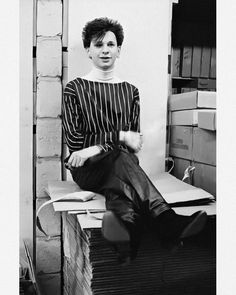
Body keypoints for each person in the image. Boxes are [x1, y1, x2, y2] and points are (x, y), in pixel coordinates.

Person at [62, 17, 207, 263]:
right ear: (88, 50)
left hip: (120, 166)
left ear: (119, 50)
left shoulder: (130, 91)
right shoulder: (74, 89)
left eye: (111, 44)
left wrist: (97, 146)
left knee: (122, 160)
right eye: (98, 45)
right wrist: (117, 137)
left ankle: (127, 234)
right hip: (87, 171)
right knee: (121, 156)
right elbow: (75, 142)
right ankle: (166, 221)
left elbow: (133, 143)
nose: (105, 50)